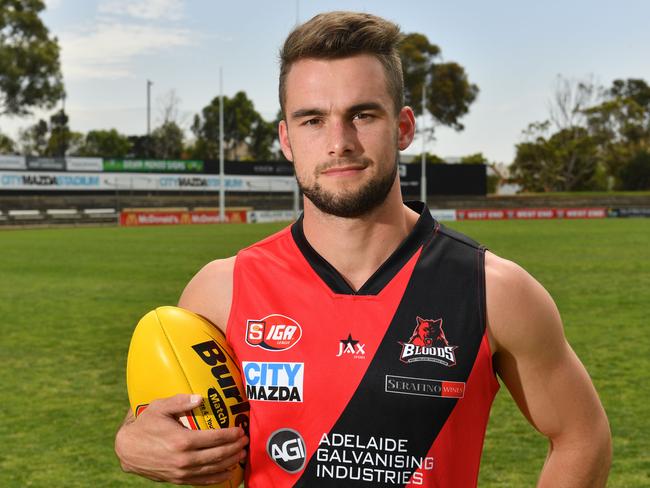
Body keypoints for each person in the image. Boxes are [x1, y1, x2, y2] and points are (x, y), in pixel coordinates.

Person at [115, 11, 611, 487]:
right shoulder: (221, 290)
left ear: (404, 128)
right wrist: (131, 443)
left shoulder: (492, 290)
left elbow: (581, 436)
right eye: (313, 120)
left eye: (363, 115)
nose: (339, 142)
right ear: (286, 139)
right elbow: (166, 419)